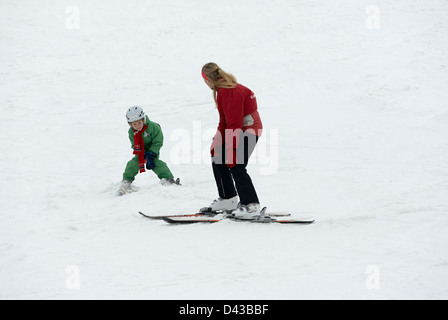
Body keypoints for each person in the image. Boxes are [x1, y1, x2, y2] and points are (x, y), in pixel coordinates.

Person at [201, 62, 263, 219]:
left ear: (208, 79)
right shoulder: (222, 90)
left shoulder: (230, 92)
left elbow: (234, 124)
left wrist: (231, 149)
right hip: (238, 130)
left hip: (248, 130)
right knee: (218, 157)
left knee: (236, 164)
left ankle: (251, 205)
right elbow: (224, 121)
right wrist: (217, 141)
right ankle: (228, 198)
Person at [117, 106, 180, 195]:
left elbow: (158, 141)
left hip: (153, 151)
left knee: (156, 164)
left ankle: (169, 180)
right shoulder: (131, 132)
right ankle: (126, 182)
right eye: (134, 124)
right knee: (132, 165)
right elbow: (134, 144)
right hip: (141, 152)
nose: (137, 126)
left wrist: (152, 152)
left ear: (143, 119)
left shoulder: (153, 127)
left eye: (139, 123)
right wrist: (141, 153)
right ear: (130, 124)